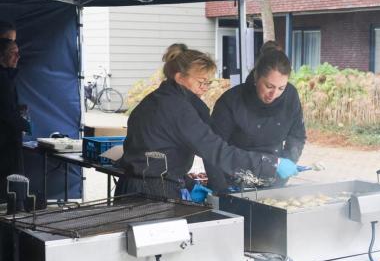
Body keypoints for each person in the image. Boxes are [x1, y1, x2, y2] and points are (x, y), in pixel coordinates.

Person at [116, 43, 298, 203]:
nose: (204, 89)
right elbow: (217, 151)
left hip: (130, 188)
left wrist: (187, 184)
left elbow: (157, 153)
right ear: (180, 78)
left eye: (208, 83)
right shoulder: (178, 109)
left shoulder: (152, 101)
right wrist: (272, 164)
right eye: (201, 82)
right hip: (154, 196)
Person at [207, 48, 306, 193]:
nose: (274, 94)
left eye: (281, 88)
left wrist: (285, 167)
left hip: (273, 174)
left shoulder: (290, 96)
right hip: (233, 176)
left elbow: (297, 136)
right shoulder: (231, 101)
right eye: (269, 86)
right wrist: (221, 189)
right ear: (256, 76)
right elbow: (212, 149)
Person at [0, 38, 29, 203]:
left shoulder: (7, 77)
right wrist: (24, 124)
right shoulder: (3, 78)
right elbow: (5, 112)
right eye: (13, 53)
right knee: (7, 185)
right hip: (4, 143)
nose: (18, 57)